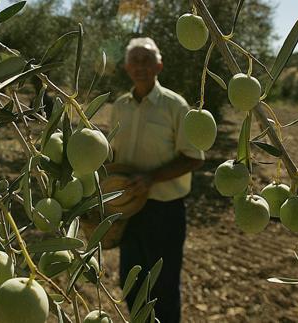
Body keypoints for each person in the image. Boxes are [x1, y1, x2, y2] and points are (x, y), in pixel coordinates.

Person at [109, 37, 204, 323]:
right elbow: (113, 156)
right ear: (126, 67)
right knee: (131, 283)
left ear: (159, 65)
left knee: (164, 290)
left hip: (164, 212)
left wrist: (151, 178)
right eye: (135, 60)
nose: (140, 65)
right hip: (127, 210)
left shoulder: (176, 106)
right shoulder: (119, 107)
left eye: (146, 59)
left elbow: (194, 157)